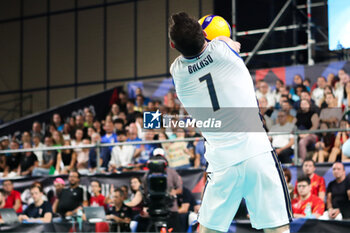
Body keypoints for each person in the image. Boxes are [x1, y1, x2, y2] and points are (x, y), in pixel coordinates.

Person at [169, 12, 291, 233]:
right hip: (257, 153)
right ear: (205, 35)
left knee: (208, 231)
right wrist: (215, 38)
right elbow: (232, 42)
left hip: (222, 163)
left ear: (172, 45)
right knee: (277, 230)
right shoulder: (223, 50)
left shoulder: (177, 72)